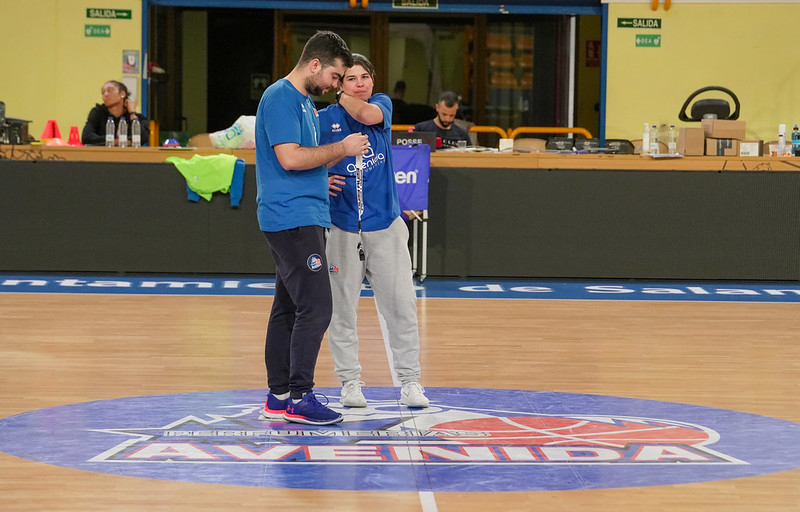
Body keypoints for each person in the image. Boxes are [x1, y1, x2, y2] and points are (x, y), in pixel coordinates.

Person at [255, 31, 369, 426]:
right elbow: (289, 158)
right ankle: (300, 398)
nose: (336, 85)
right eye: (337, 76)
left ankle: (278, 396)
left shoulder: (302, 102)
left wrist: (326, 172)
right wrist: (342, 150)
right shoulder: (281, 98)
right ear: (316, 64)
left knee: (287, 307)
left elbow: (305, 158)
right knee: (317, 307)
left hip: (302, 215)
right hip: (292, 217)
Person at [319, 54, 430, 409]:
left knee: (401, 306)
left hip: (386, 226)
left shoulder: (380, 106)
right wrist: (322, 179)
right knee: (341, 310)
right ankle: (350, 383)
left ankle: (410, 381)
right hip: (342, 227)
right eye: (351, 78)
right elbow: (302, 158)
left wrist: (341, 92)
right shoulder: (323, 120)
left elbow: (364, 114)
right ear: (339, 83)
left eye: (365, 76)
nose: (361, 84)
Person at [81, 80, 149, 146]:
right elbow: (86, 137)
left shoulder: (134, 117)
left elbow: (142, 139)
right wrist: (115, 141)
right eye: (103, 92)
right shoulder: (98, 112)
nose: (105, 94)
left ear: (122, 94)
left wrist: (132, 113)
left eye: (110, 90)